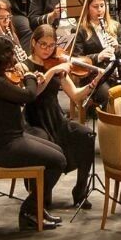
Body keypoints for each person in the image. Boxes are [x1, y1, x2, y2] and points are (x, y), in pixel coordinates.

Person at [0, 35, 67, 229]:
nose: (14, 59)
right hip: (4, 147)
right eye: (10, 54)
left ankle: (37, 208)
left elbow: (18, 95)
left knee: (57, 151)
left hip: (12, 138)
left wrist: (28, 79)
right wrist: (30, 76)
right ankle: (30, 209)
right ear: (0, 57)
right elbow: (29, 95)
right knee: (58, 161)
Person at [26, 24, 100, 207]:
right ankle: (39, 192)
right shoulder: (24, 65)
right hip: (33, 120)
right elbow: (33, 94)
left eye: (51, 45)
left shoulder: (56, 63)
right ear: (34, 42)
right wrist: (51, 73)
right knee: (47, 144)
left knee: (87, 135)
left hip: (55, 116)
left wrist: (93, 84)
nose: (47, 50)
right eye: (43, 44)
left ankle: (80, 190)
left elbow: (75, 95)